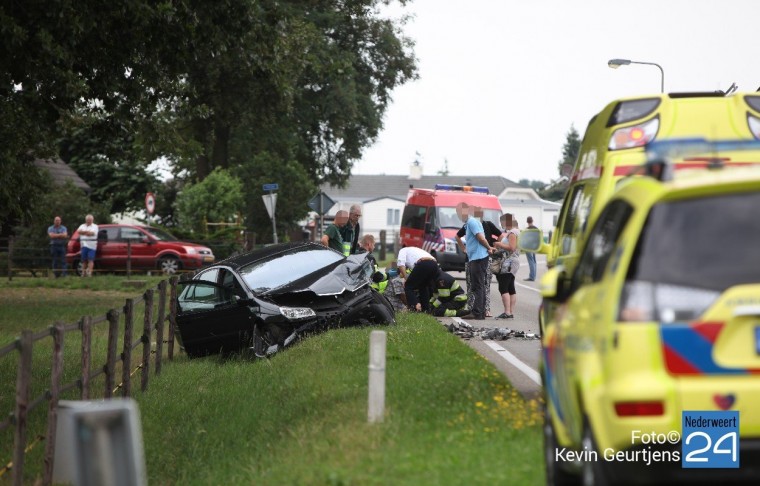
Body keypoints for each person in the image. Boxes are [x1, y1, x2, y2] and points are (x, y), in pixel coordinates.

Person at [456, 206, 501, 316]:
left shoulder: (472, 222)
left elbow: (480, 238)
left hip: (478, 257)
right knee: (478, 285)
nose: (458, 215)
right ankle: (480, 311)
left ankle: (477, 312)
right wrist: (464, 249)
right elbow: (459, 236)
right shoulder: (469, 223)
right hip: (476, 257)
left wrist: (489, 247)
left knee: (478, 285)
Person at [494, 214, 520, 319]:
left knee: (503, 286)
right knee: (510, 287)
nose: (502, 225)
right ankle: (510, 311)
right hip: (513, 261)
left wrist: (499, 244)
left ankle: (507, 312)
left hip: (509, 262)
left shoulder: (513, 232)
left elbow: (512, 247)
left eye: (502, 222)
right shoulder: (517, 231)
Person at [397, 244, 438, 312]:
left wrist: (406, 278)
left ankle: (414, 307)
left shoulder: (402, 250)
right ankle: (426, 309)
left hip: (423, 264)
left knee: (408, 286)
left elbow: (401, 264)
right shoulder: (415, 250)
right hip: (434, 265)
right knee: (423, 286)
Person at [525, 216, 538, 281]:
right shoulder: (536, 229)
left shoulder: (527, 229)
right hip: (534, 247)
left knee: (531, 261)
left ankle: (532, 277)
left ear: (527, 222)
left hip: (528, 247)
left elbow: (525, 239)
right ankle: (534, 276)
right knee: (534, 261)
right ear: (532, 221)